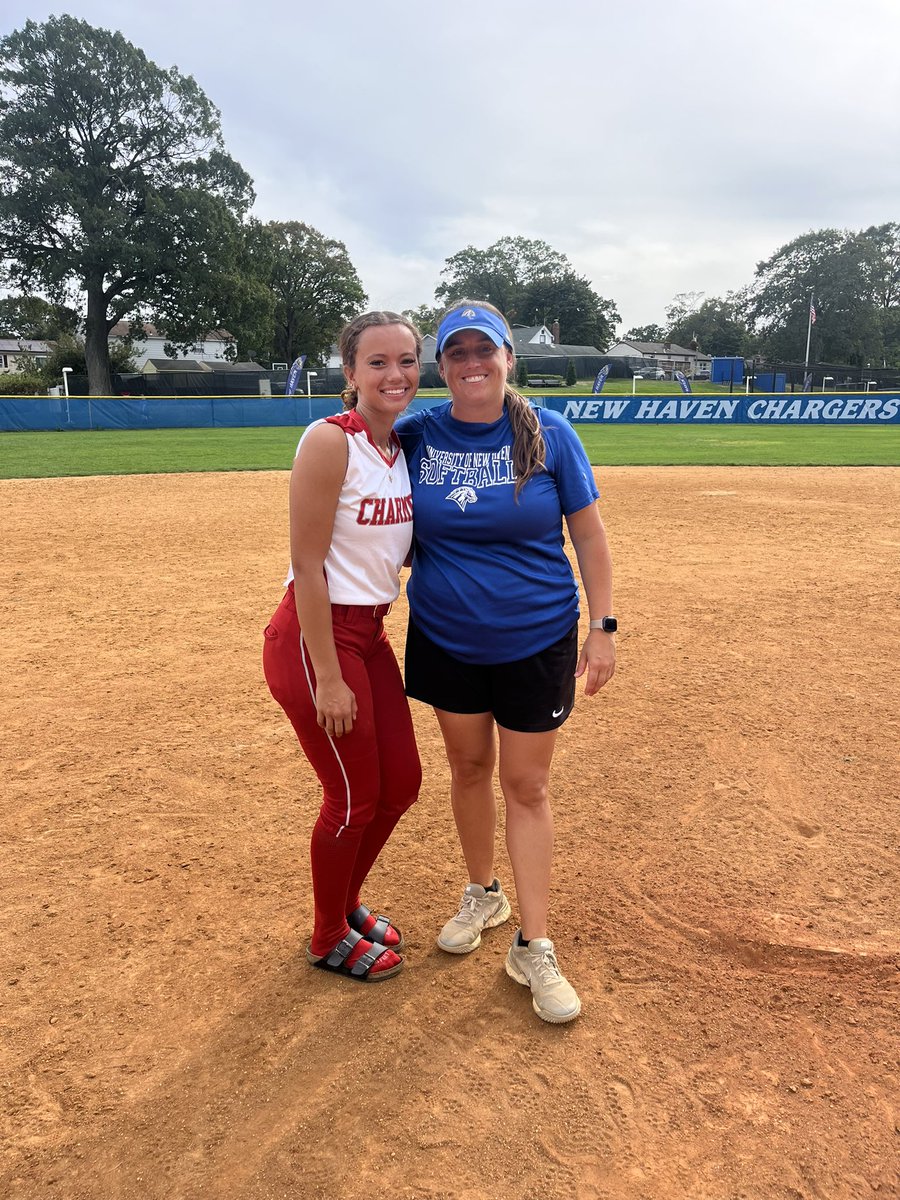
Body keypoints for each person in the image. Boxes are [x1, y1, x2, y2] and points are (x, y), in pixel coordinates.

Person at [395, 300, 616, 1023]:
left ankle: (534, 942)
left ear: (507, 358)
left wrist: (602, 626)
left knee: (527, 785)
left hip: (536, 636)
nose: (471, 363)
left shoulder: (549, 434)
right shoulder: (417, 435)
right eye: (456, 352)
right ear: (441, 366)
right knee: (467, 769)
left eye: (483, 350)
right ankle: (483, 894)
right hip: (446, 634)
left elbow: (589, 536)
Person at [263, 311, 422, 982]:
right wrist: (328, 677)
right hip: (316, 638)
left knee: (401, 784)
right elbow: (307, 565)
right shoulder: (331, 440)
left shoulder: (401, 447)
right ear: (350, 372)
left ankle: (344, 901)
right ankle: (328, 933)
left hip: (369, 633)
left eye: (407, 360)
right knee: (352, 796)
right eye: (377, 362)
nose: (395, 374)